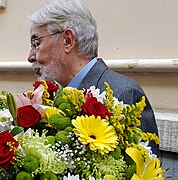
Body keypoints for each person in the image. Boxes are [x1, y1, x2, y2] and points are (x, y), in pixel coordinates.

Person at [27, 0, 160, 155]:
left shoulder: (124, 94)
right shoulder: (53, 96)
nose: (30, 56)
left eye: (36, 43)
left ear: (68, 40)